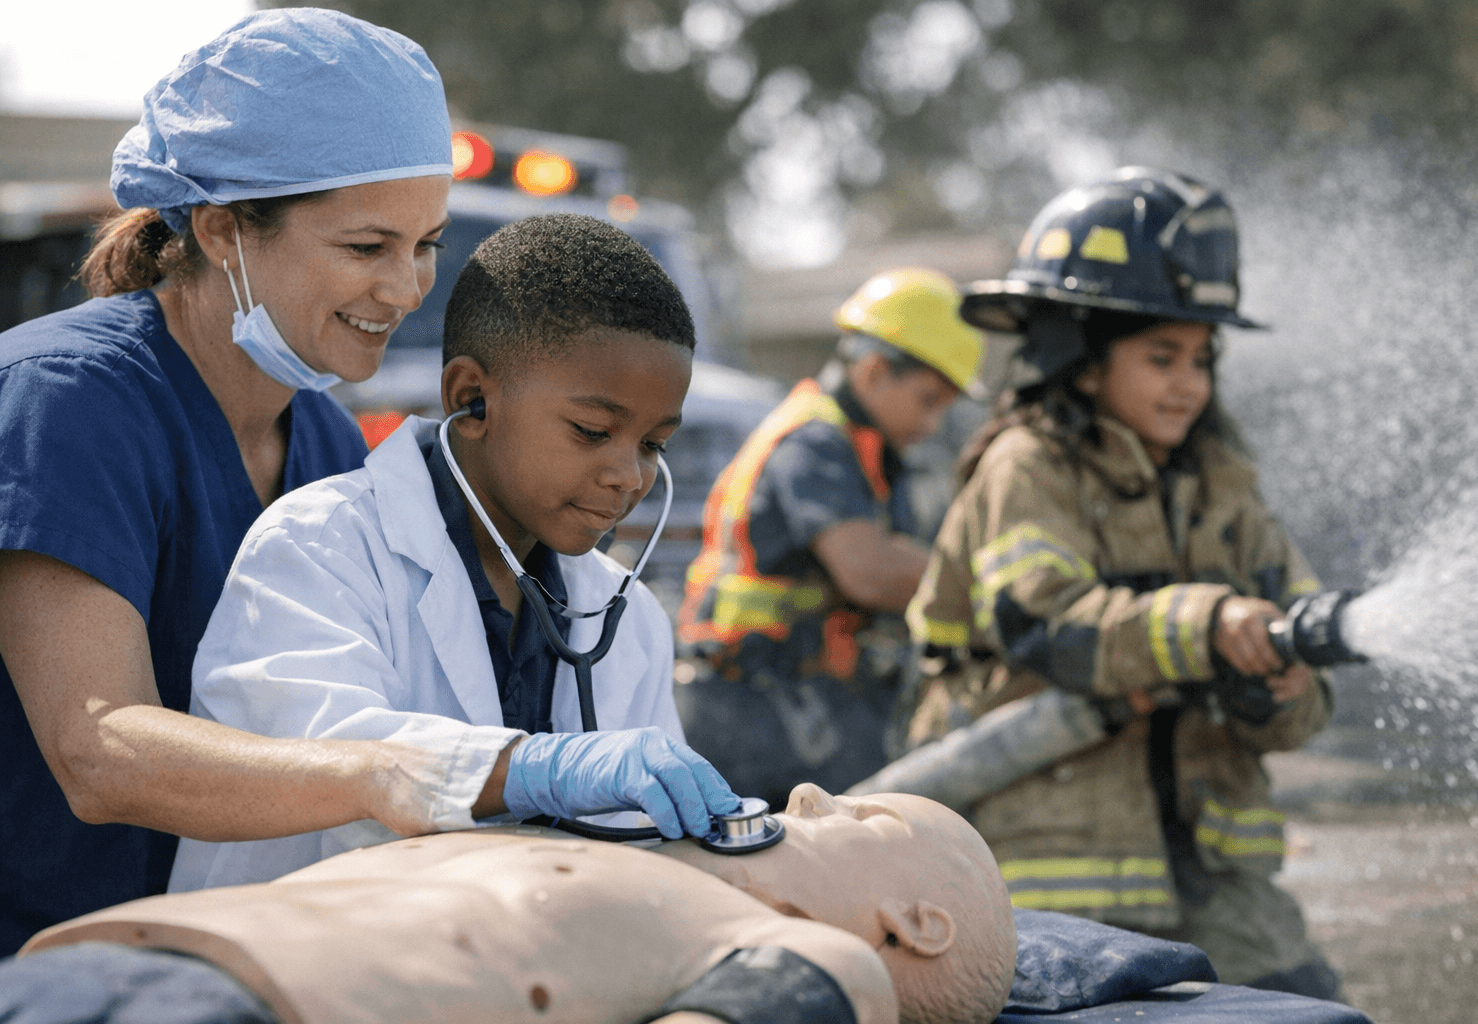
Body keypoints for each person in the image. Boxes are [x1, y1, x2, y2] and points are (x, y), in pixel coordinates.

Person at [0, 9, 469, 955]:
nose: (408, 287)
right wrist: (387, 774)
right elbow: (100, 750)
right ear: (222, 231)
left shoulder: (326, 440)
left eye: (425, 244)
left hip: (200, 960)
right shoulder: (65, 403)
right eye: (367, 247)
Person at [170, 214, 739, 891]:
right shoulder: (319, 549)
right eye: (592, 431)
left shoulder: (629, 618)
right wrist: (534, 772)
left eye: (652, 445)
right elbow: (334, 764)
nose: (628, 476)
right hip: (294, 941)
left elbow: (643, 850)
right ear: (472, 399)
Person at [903, 168, 1342, 999]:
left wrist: (1281, 686)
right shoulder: (1027, 468)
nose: (1189, 382)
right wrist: (1210, 624)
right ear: (1082, 358)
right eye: (1161, 357)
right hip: (1062, 881)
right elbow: (1046, 624)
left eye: (1202, 359)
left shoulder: (1226, 489)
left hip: (1218, 880)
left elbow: (1303, 682)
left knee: (1314, 1013)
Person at [18, 785, 1017, 1024]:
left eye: (865, 817)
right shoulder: (612, 857)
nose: (808, 793)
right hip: (70, 967)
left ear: (914, 925)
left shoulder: (826, 965)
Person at [676, 269, 984, 807]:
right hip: (751, 705)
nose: (933, 424)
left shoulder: (866, 448)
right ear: (874, 372)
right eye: (928, 400)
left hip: (786, 696)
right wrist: (985, 590)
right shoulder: (814, 442)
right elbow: (870, 572)